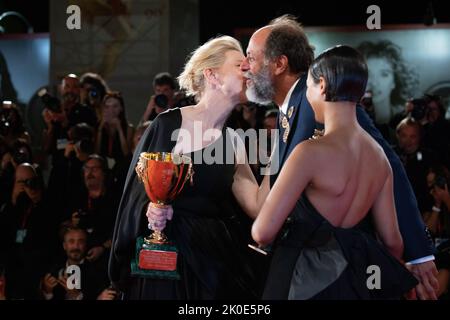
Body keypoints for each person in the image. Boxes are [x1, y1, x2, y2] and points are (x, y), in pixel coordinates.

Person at [240, 14, 438, 300]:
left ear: (281, 64)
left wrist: (418, 253)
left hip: (317, 274)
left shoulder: (325, 103)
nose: (245, 66)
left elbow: (390, 162)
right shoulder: (294, 111)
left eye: (250, 57)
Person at [109, 36, 270, 299]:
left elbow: (257, 206)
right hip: (163, 262)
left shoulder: (234, 140)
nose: (248, 71)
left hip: (211, 263)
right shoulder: (167, 124)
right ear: (212, 75)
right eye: (240, 66)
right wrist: (149, 209)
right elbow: (134, 195)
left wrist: (281, 155)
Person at [357, 40, 417, 128]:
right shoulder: (352, 120)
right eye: (368, 74)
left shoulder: (407, 120)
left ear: (394, 81)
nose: (374, 83)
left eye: (384, 74)